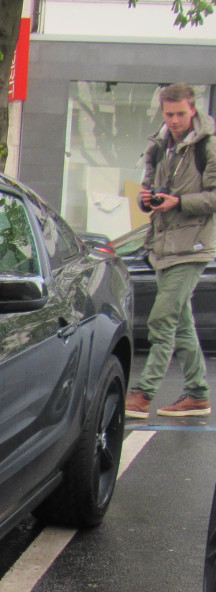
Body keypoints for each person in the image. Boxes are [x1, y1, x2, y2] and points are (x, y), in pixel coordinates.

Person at [126, 82, 216, 418]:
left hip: (193, 246)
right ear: (162, 112)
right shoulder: (159, 145)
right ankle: (197, 394)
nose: (175, 120)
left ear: (193, 109)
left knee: (162, 320)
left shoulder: (208, 146)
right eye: (169, 114)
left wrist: (180, 202)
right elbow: (146, 188)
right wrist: (145, 199)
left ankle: (144, 394)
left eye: (180, 113)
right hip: (162, 246)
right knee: (181, 323)